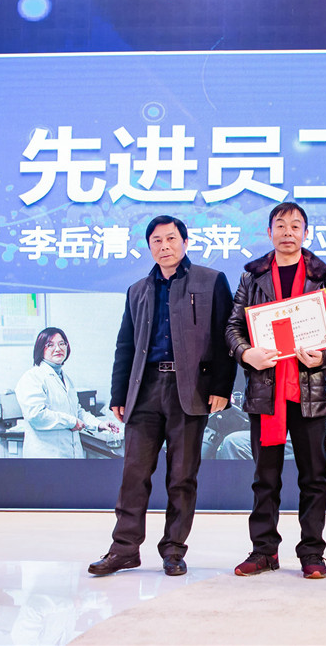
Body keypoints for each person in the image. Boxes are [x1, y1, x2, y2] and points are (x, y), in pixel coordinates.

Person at [88, 215, 237, 577]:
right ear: (149, 246)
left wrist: (221, 387)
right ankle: (124, 549)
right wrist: (119, 393)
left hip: (191, 389)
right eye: (157, 240)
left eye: (171, 238)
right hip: (145, 389)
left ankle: (173, 550)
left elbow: (226, 335)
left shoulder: (211, 280)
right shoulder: (137, 290)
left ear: (185, 242)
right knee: (133, 474)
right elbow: (125, 344)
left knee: (182, 476)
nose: (164, 246)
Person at [225, 202, 326, 580]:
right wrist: (246, 352)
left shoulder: (324, 277)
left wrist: (324, 355)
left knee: (314, 477)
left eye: (295, 226)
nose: (287, 232)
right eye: (280, 225)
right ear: (269, 233)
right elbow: (232, 327)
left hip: (309, 390)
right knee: (265, 477)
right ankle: (264, 550)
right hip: (266, 390)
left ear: (305, 233)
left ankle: (312, 553)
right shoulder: (252, 277)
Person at [14, 327, 118, 459]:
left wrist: (99, 424)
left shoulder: (65, 378)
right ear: (40, 348)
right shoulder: (32, 377)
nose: (58, 349)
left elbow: (76, 411)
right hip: (46, 457)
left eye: (61, 343)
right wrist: (71, 422)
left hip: (70, 455)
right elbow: (36, 416)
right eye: (50, 345)